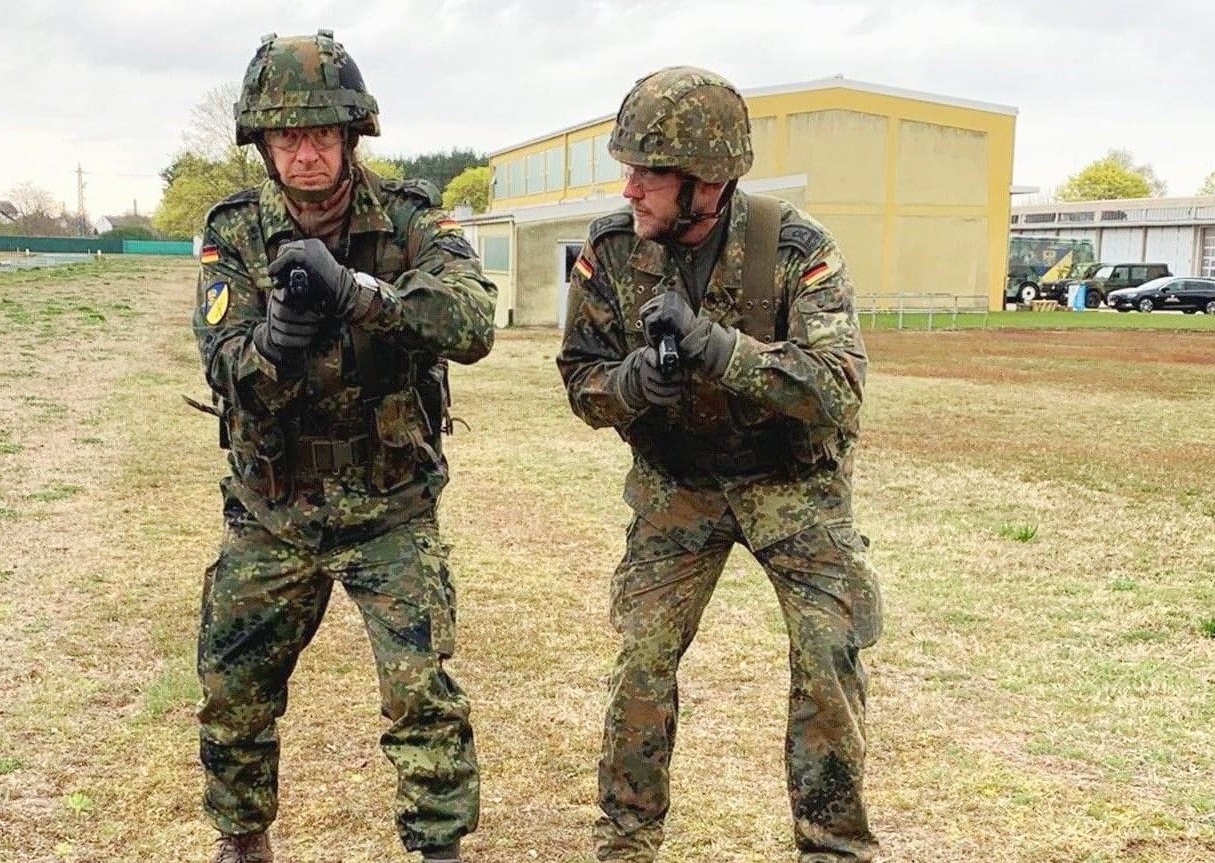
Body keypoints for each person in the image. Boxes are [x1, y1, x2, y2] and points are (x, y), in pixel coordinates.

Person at [556, 66, 883, 863]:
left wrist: (718, 349)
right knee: (641, 657)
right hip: (680, 486)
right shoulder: (607, 254)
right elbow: (581, 379)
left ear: (707, 180)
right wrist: (631, 383)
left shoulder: (796, 249)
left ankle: (832, 846)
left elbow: (839, 387)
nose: (629, 187)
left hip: (790, 483)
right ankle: (627, 844)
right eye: (627, 167)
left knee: (826, 652)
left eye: (648, 171)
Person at [191, 29, 495, 863]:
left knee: (420, 692)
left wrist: (363, 296)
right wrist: (275, 346)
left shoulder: (409, 220)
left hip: (388, 502)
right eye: (287, 136)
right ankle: (242, 838)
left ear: (351, 136)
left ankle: (437, 847)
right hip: (274, 504)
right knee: (233, 684)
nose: (306, 152)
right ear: (262, 144)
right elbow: (222, 362)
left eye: (322, 134)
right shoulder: (234, 233)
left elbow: (470, 321)